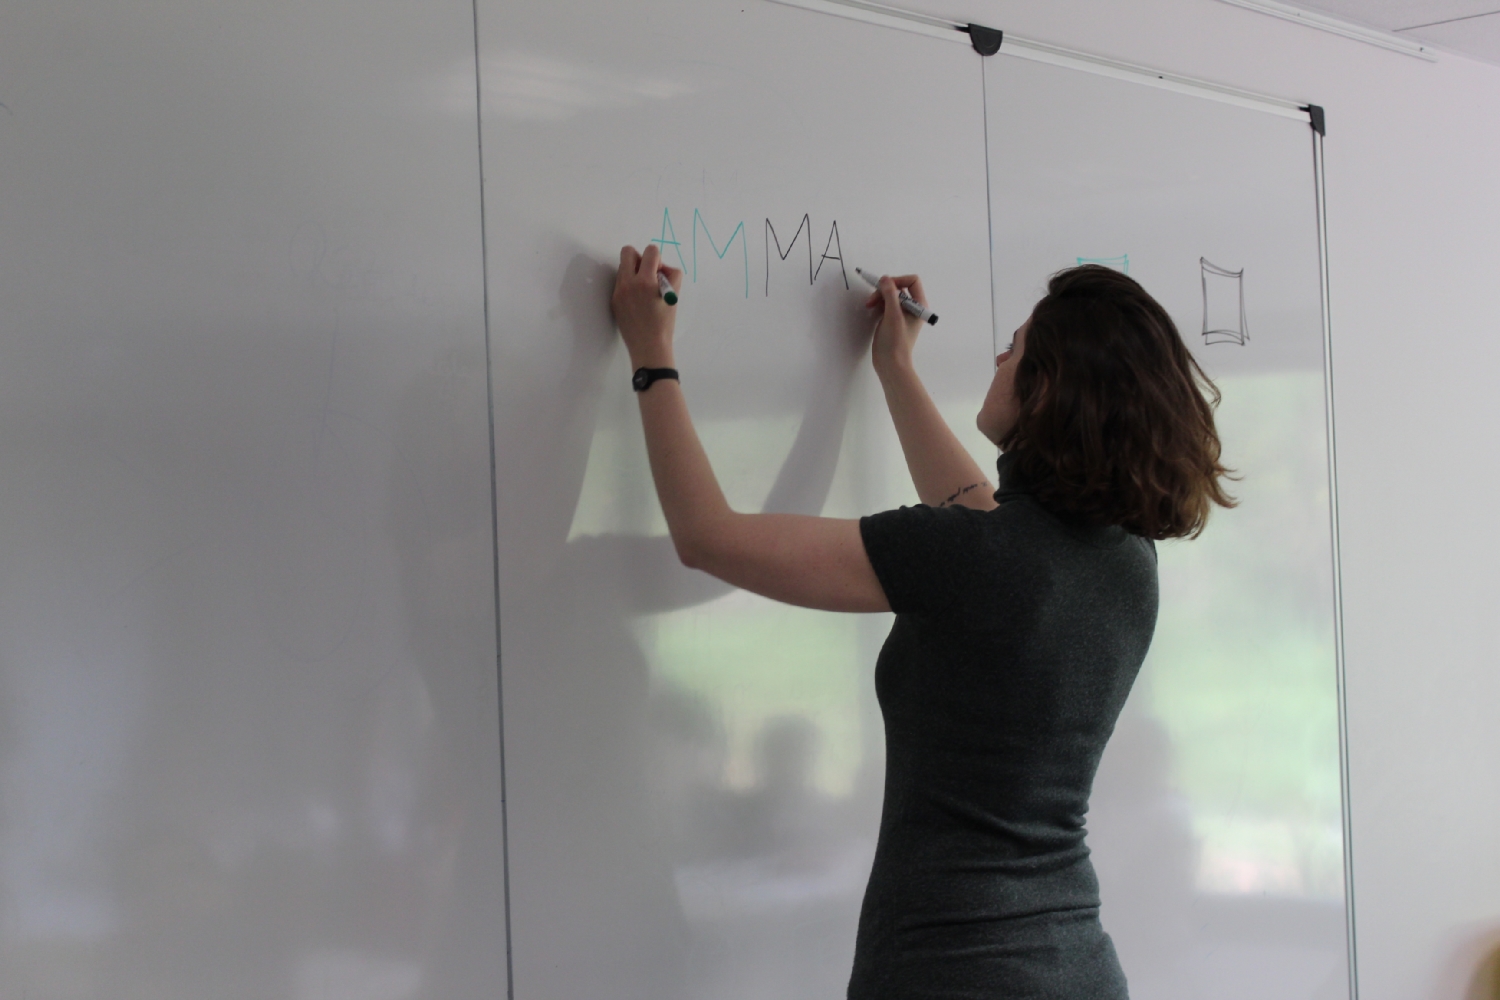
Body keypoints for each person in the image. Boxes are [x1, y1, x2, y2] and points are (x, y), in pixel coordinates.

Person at [610, 243, 1235, 999]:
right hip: (1077, 968)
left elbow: (706, 535)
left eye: (1018, 345)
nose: (999, 353)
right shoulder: (1125, 561)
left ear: (1048, 390)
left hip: (950, 972)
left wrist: (652, 351)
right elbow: (978, 514)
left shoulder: (978, 560)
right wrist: (896, 371)